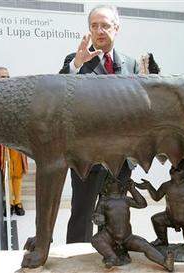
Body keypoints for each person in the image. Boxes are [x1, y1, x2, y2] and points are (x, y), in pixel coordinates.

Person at [59, 5, 139, 243]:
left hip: (121, 158)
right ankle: (75, 261)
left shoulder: (130, 63)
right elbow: (58, 92)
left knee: (116, 214)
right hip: (87, 158)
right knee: (82, 215)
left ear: (117, 28)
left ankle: (112, 257)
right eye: (94, 26)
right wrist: (75, 66)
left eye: (104, 25)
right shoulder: (76, 60)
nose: (99, 30)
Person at [91, 177, 174, 271]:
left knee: (145, 245)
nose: (112, 182)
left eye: (115, 181)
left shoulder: (125, 199)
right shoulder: (104, 201)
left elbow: (142, 204)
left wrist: (133, 190)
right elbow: (97, 215)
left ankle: (165, 262)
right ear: (105, 188)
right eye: (110, 182)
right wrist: (98, 218)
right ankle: (111, 257)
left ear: (121, 187)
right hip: (110, 236)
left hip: (127, 237)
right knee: (96, 239)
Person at [135, 160, 184, 250]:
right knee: (156, 219)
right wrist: (149, 187)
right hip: (168, 217)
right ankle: (162, 240)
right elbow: (156, 197)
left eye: (177, 170)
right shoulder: (166, 185)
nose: (173, 170)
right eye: (172, 168)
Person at [0, 67, 28, 215]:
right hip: (1, 142)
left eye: (7, 76)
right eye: (1, 77)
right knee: (7, 173)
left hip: (17, 142)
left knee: (18, 173)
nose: (5, 79)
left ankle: (18, 201)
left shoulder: (17, 96)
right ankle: (9, 202)